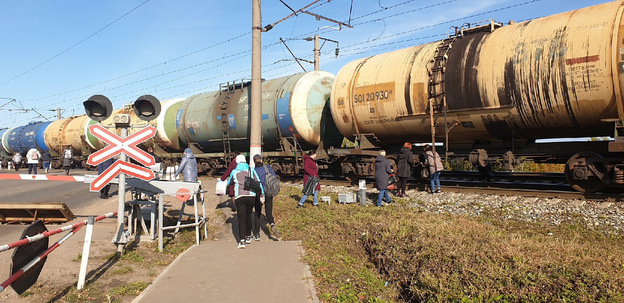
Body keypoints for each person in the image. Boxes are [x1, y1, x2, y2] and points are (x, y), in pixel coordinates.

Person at [228, 154, 264, 249]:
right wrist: (261, 194)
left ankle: (242, 241)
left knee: (241, 218)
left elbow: (229, 182)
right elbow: (258, 182)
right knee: (248, 216)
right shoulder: (251, 170)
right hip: (251, 196)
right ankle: (248, 236)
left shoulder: (234, 171)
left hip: (239, 196)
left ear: (237, 162)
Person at [252, 154, 281, 239]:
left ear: (254, 161)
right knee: (268, 212)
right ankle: (272, 225)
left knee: (257, 213)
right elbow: (274, 177)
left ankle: (257, 234)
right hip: (268, 192)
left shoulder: (253, 170)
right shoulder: (267, 168)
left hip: (258, 194)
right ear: (261, 160)